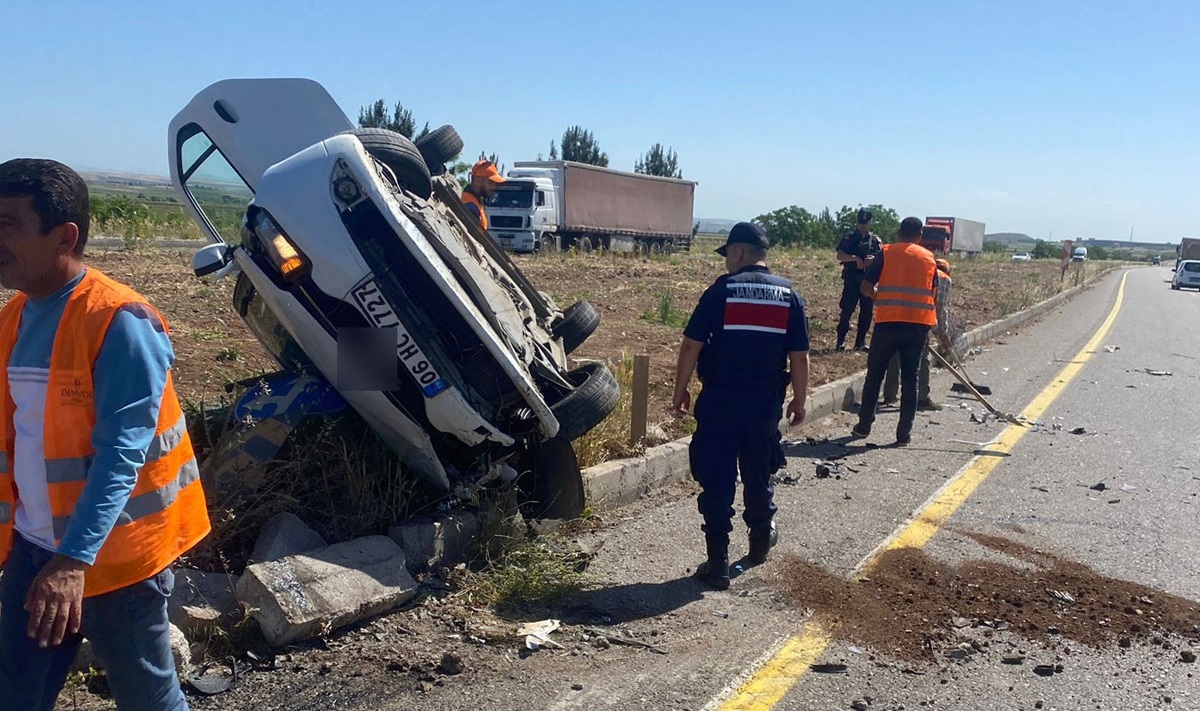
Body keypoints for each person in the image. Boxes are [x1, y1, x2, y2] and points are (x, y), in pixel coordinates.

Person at [0, 158, 210, 710]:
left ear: (64, 235)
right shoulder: (13, 318)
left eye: (8, 224)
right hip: (32, 548)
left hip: (112, 557)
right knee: (16, 692)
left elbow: (122, 453)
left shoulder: (119, 320)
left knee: (145, 694)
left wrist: (72, 562)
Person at [672, 222, 810, 590]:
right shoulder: (789, 295)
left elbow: (691, 345)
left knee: (717, 476)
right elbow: (799, 355)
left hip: (721, 400)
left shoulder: (723, 291)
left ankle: (717, 560)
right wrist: (799, 398)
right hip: (764, 403)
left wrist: (680, 390)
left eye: (728, 256)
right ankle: (760, 541)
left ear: (738, 253)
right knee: (758, 471)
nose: (727, 263)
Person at [851, 216, 939, 446]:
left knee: (875, 375)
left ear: (900, 232)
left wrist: (879, 297)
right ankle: (903, 435)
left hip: (888, 323)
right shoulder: (930, 258)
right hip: (918, 326)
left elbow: (866, 286)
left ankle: (863, 426)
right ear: (919, 236)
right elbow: (933, 294)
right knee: (911, 379)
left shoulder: (886, 252)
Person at [881, 227, 954, 410]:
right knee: (921, 361)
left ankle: (890, 396)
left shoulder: (917, 269)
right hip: (920, 322)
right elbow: (940, 309)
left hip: (894, 317)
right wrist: (942, 334)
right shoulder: (944, 279)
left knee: (894, 357)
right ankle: (921, 399)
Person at [835, 207, 882, 352]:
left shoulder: (875, 240)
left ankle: (860, 342)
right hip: (852, 278)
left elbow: (882, 257)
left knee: (866, 312)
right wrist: (854, 259)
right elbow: (840, 255)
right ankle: (840, 342)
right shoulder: (850, 237)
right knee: (847, 310)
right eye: (861, 222)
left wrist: (873, 260)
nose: (863, 225)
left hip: (868, 280)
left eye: (865, 222)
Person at [460, 159, 506, 230]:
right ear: (476, 180)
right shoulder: (470, 207)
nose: (494, 187)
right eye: (490, 182)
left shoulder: (474, 202)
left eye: (495, 184)